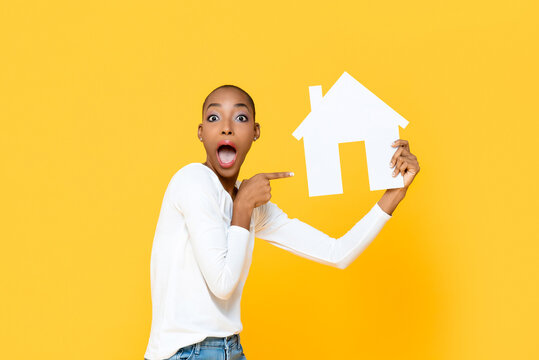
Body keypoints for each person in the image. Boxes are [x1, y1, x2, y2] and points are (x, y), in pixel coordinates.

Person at [144, 85, 420, 360]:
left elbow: (338, 254)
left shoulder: (249, 203)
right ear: (201, 132)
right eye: (214, 118)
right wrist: (243, 206)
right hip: (184, 354)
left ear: (256, 132)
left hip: (231, 349)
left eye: (240, 118)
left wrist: (396, 192)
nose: (226, 128)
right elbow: (222, 283)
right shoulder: (192, 180)